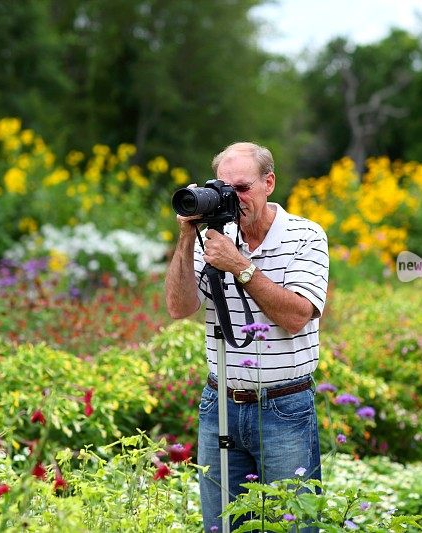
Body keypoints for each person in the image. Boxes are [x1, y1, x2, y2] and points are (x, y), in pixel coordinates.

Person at [164, 142, 329, 531]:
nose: (231, 199)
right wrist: (188, 239)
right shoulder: (215, 238)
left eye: (242, 189)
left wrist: (240, 266)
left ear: (269, 183)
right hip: (217, 403)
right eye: (222, 188)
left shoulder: (305, 236)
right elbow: (178, 307)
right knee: (222, 526)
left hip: (283, 409)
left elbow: (297, 315)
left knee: (293, 524)